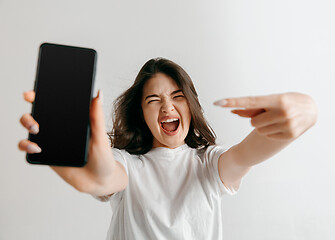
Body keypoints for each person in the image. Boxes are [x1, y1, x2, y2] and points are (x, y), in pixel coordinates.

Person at [18, 58, 318, 239]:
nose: (167, 107)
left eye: (177, 96)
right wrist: (86, 166)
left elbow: (249, 151)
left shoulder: (209, 164)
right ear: (141, 115)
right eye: (153, 100)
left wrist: (304, 115)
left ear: (190, 104)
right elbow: (106, 175)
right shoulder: (128, 166)